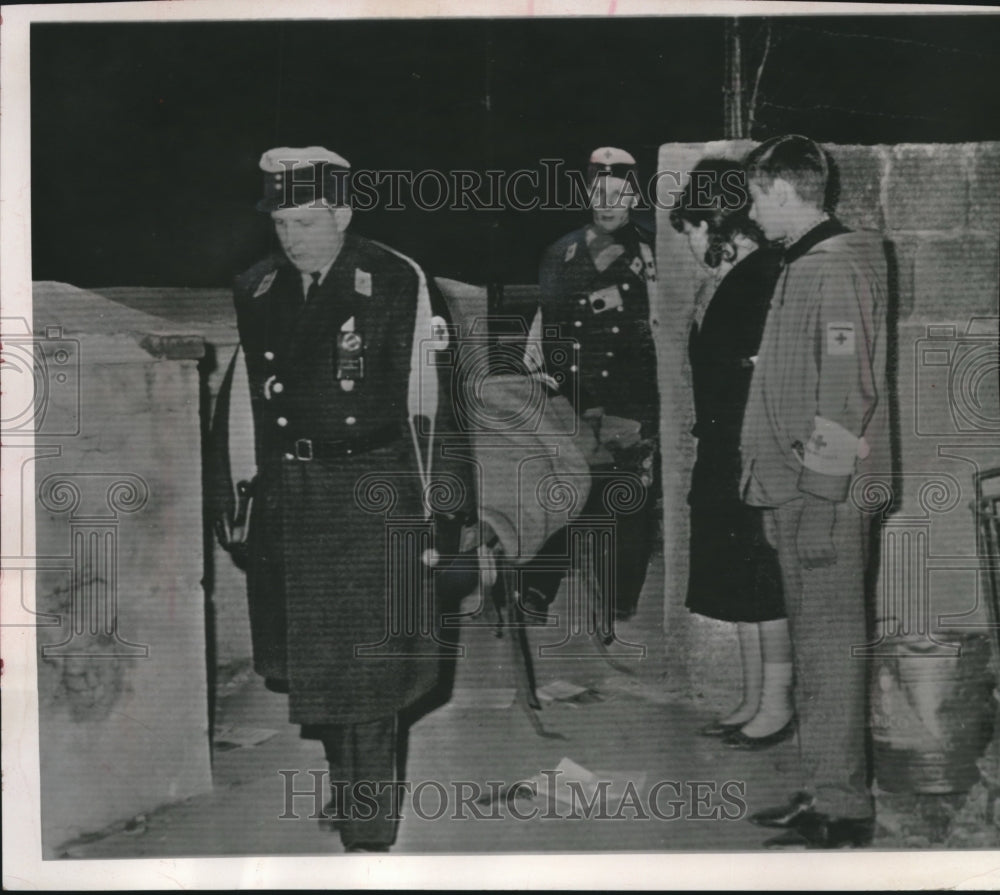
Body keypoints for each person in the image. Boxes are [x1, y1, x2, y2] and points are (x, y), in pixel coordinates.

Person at [227, 146, 469, 852]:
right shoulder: (260, 287)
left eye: (306, 220)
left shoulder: (394, 281)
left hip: (376, 494)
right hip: (296, 499)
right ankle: (347, 787)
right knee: (320, 664)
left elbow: (434, 405)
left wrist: (443, 512)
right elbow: (243, 405)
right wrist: (241, 498)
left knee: (372, 668)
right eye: (281, 221)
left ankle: (369, 832)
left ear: (343, 213)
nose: (292, 235)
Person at [739, 135, 889, 849]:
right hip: (795, 489)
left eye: (755, 195)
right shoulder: (807, 261)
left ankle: (845, 808)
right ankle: (825, 786)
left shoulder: (835, 267)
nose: (749, 209)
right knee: (816, 645)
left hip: (822, 492)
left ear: (781, 191)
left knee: (830, 648)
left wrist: (823, 496)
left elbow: (847, 388)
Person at [669, 158, 794, 749]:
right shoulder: (724, 280)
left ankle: (777, 703)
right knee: (738, 582)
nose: (691, 241)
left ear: (721, 221)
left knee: (764, 582)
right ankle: (752, 696)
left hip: (753, 449)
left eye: (694, 227)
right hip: (722, 448)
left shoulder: (766, 275)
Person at [521, 147, 660, 623]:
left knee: (629, 498)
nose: (607, 201)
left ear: (634, 194)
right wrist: (553, 389)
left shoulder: (652, 253)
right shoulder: (561, 253)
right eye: (598, 191)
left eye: (618, 192)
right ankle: (538, 588)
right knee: (561, 492)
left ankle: (621, 598)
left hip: (630, 398)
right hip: (573, 395)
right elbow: (552, 325)